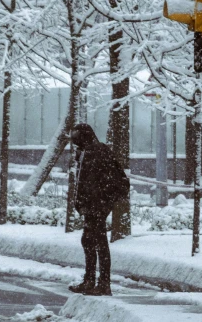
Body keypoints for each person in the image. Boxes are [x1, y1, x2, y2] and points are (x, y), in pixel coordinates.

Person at [67, 123, 130, 297]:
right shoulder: (85, 152)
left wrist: (101, 200)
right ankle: (91, 281)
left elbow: (113, 179)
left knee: (98, 242)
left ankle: (102, 283)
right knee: (89, 240)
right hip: (91, 205)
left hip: (97, 205)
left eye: (76, 135)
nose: (73, 139)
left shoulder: (99, 151)